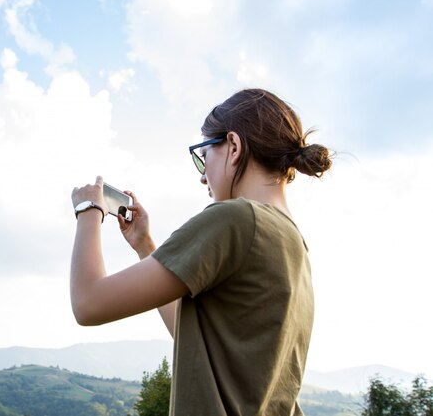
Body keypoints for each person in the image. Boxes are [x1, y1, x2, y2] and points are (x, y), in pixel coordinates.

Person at [70, 88, 332, 416]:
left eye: (203, 154)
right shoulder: (293, 243)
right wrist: (145, 247)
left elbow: (88, 303)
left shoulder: (236, 219)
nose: (202, 175)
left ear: (233, 146)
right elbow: (197, 341)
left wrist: (88, 209)